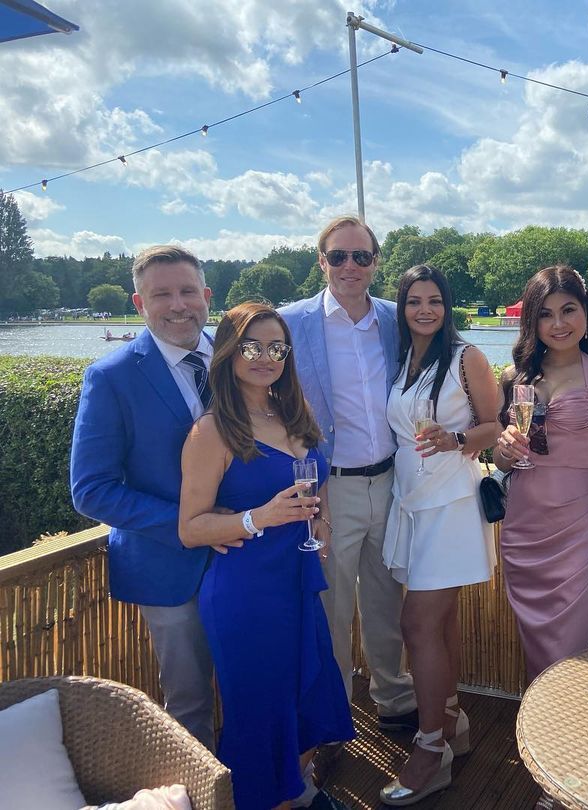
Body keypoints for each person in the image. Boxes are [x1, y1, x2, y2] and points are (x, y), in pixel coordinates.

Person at [178, 302, 354, 810]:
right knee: (261, 716)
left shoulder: (293, 412)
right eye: (251, 346)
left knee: (308, 698)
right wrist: (259, 517)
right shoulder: (212, 430)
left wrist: (320, 520)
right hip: (246, 594)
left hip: (297, 584)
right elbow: (190, 528)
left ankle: (294, 796)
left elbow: (316, 483)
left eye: (277, 348)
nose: (265, 357)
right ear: (228, 352)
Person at [70, 245, 216, 750]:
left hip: (249, 555)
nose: (178, 305)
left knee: (261, 680)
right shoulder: (111, 377)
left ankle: (274, 783)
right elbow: (91, 490)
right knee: (190, 702)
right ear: (139, 303)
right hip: (167, 565)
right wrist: (191, 525)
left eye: (188, 291)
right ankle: (202, 789)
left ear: (207, 295)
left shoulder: (240, 357)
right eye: (161, 295)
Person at [280, 215, 417, 731]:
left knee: (387, 600)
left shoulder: (396, 319)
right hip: (329, 488)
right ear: (322, 261)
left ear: (376, 262)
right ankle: (333, 715)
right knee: (330, 607)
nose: (350, 266)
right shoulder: (291, 323)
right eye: (338, 256)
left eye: (361, 256)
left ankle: (394, 699)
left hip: (391, 480)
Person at [379, 265, 500, 805]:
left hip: (450, 501)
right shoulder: (403, 358)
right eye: (414, 301)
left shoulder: (466, 357)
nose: (424, 310)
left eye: (434, 300)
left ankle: (430, 750)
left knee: (417, 622)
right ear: (402, 308)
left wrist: (455, 439)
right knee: (440, 618)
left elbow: (495, 425)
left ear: (448, 306)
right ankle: (452, 720)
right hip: (411, 499)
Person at [495, 265, 588, 681]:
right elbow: (503, 461)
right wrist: (503, 449)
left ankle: (576, 721)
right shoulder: (512, 377)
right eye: (545, 314)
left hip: (583, 531)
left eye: (568, 310)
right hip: (524, 530)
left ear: (586, 311)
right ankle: (541, 721)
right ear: (531, 321)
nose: (558, 324)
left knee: (576, 652)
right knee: (536, 650)